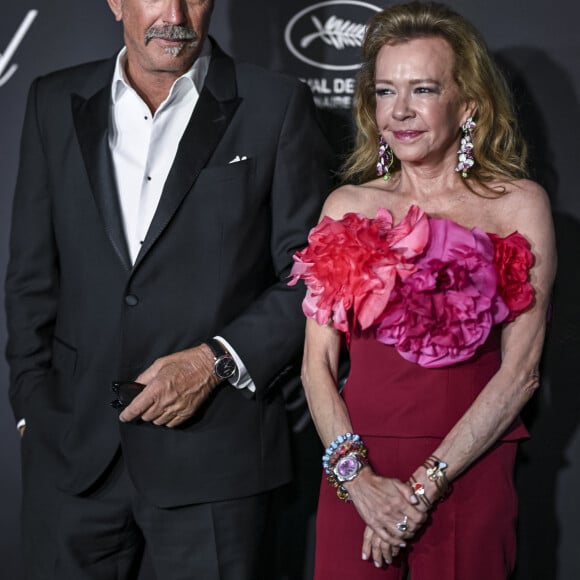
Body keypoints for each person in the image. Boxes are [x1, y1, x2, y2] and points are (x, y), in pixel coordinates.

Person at [5, 0, 333, 578]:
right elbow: (32, 274)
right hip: (72, 458)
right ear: (115, 3)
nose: (175, 13)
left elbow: (310, 275)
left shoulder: (276, 105)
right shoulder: (52, 100)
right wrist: (32, 411)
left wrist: (215, 362)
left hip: (216, 460)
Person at [290, 2, 556, 579]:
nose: (401, 112)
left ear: (469, 105)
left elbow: (522, 372)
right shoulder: (347, 206)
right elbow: (316, 366)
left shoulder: (517, 205)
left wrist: (423, 487)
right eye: (386, 91)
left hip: (471, 466)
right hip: (358, 470)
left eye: (424, 89)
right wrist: (358, 482)